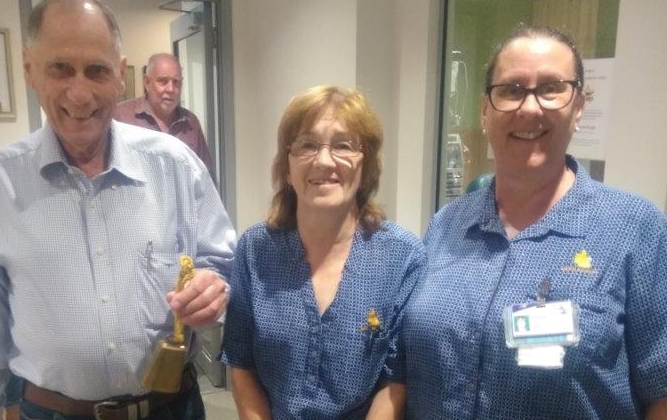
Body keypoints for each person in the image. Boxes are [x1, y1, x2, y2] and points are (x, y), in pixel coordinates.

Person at [0, 0, 236, 420]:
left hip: (170, 409)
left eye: (96, 71)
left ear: (120, 74)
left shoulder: (175, 165)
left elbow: (222, 262)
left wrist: (216, 290)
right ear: (30, 69)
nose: (79, 94)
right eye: (60, 68)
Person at [395, 26, 667, 419]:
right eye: (511, 90)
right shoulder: (446, 224)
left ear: (579, 107)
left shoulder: (635, 229)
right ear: (485, 112)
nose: (530, 107)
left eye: (551, 88)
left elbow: (661, 391)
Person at [221, 85, 425, 419]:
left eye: (343, 146)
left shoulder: (403, 257)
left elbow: (395, 381)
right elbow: (242, 363)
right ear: (287, 166)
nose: (324, 160)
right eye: (308, 145)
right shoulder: (255, 249)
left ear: (367, 165)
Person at [114, 53, 213, 173]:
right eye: (163, 81)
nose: (170, 89)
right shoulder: (120, 116)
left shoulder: (191, 122)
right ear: (147, 82)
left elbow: (204, 173)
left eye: (176, 82)